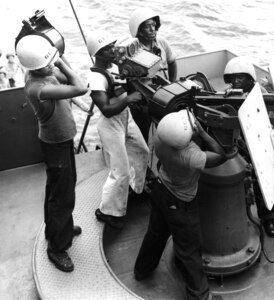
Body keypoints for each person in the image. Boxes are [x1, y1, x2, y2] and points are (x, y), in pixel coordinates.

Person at [134, 110, 227, 300]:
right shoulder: (191, 156)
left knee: (155, 234)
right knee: (189, 250)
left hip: (161, 189)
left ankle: (142, 270)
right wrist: (201, 132)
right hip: (181, 202)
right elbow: (220, 156)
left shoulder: (161, 137)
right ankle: (200, 296)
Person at [16, 35, 88, 272]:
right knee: (62, 196)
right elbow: (79, 87)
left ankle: (58, 228)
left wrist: (54, 58)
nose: (51, 64)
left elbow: (65, 86)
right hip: (55, 144)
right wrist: (59, 62)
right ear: (35, 68)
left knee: (58, 189)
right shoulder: (37, 86)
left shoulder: (41, 75)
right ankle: (57, 247)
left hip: (61, 140)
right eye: (46, 63)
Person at [86, 31, 149, 230]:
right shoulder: (96, 78)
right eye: (108, 49)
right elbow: (105, 109)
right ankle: (107, 212)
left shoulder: (114, 66)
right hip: (111, 124)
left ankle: (136, 189)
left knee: (142, 151)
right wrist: (129, 99)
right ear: (98, 53)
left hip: (125, 118)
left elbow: (123, 87)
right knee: (119, 171)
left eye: (113, 46)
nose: (114, 50)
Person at [223, 56, 274, 237]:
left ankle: (268, 218)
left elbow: (268, 118)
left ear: (249, 78)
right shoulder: (229, 92)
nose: (236, 81)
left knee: (262, 182)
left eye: (240, 77)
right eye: (233, 78)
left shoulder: (260, 93)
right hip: (239, 141)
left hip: (259, 140)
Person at [128, 7, 178, 144]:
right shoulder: (132, 49)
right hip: (143, 97)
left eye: (154, 26)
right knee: (142, 132)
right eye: (147, 27)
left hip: (163, 92)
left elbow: (172, 62)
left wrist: (172, 85)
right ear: (138, 30)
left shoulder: (161, 42)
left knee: (167, 129)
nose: (152, 30)